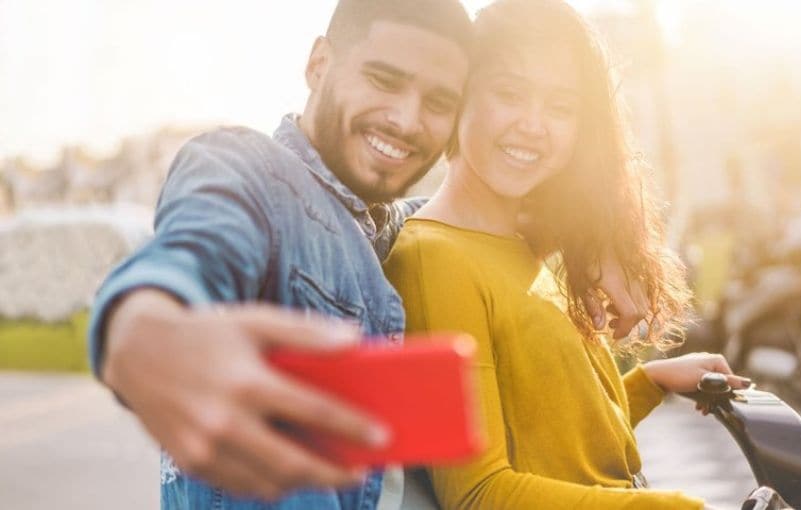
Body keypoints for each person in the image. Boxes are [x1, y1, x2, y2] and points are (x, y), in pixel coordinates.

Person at [89, 0, 655, 508]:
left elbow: (478, 224)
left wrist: (593, 247)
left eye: (438, 101)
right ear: (319, 64)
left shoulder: (389, 226)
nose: (407, 120)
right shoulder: (248, 172)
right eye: (385, 80)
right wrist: (145, 333)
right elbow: (191, 253)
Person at [383, 1, 751, 508]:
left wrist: (649, 381)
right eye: (510, 93)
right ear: (461, 94)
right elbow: (477, 493)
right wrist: (669, 507)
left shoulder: (524, 249)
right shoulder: (432, 259)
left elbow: (559, 442)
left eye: (561, 106)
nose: (534, 125)